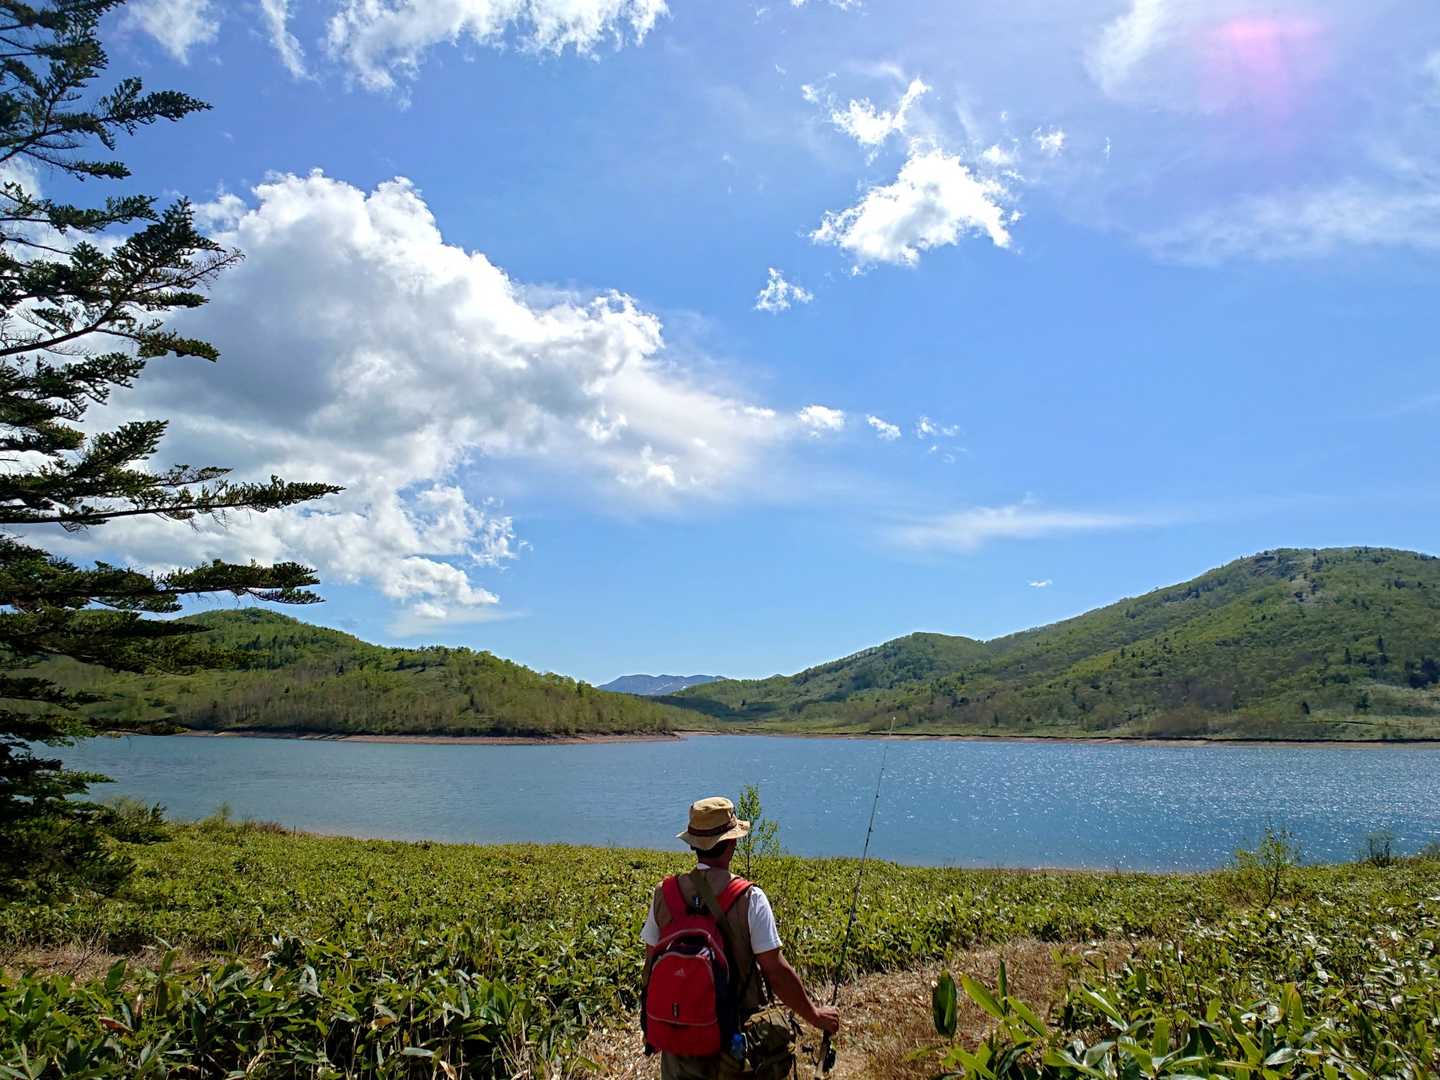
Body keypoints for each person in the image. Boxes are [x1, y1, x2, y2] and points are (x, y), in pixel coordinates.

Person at [642, 796, 841, 1079]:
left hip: (677, 1047)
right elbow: (776, 972)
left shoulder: (664, 894)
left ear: (693, 844)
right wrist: (815, 1015)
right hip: (734, 1050)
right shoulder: (750, 898)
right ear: (732, 843)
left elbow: (650, 966)